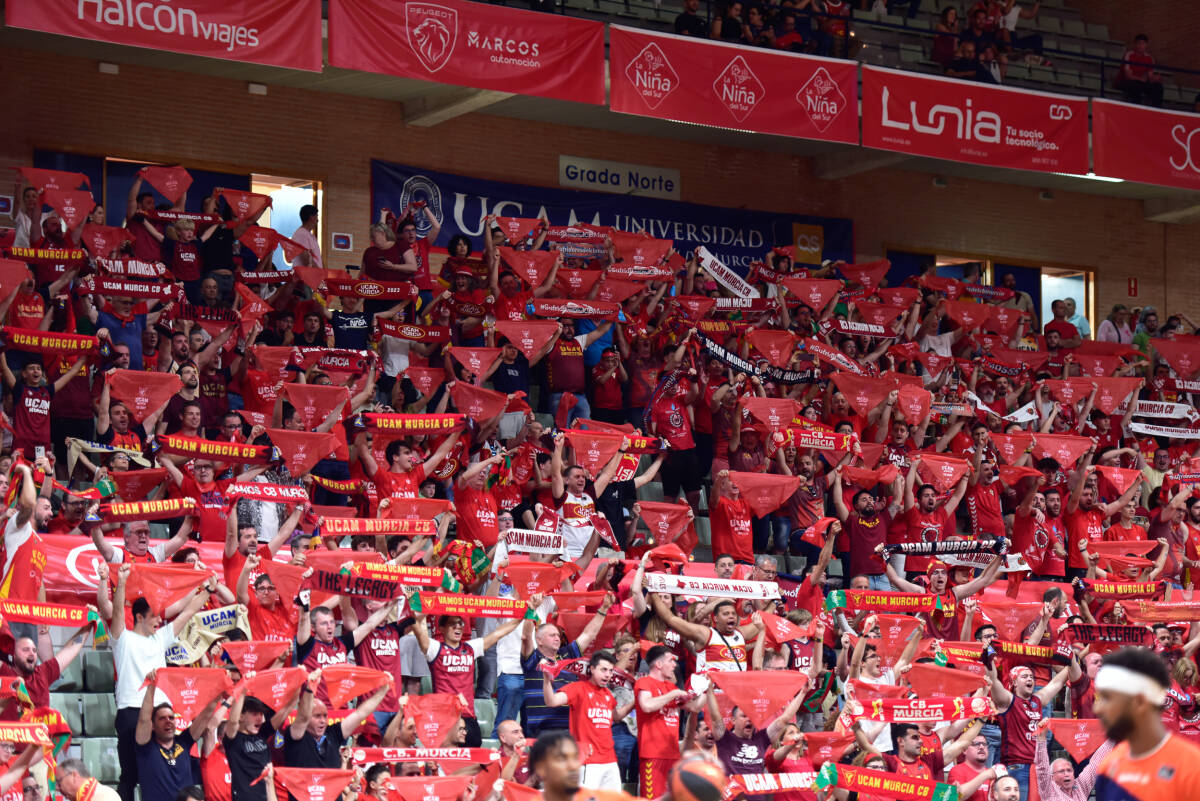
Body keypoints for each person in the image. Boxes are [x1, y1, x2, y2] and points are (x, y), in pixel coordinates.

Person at [111, 562, 214, 801]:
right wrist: (122, 582)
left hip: (160, 712)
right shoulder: (122, 639)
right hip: (130, 712)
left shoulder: (160, 638)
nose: (159, 620)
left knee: (163, 771)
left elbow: (188, 613)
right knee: (130, 776)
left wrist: (208, 590)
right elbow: (116, 613)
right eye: (154, 616)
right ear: (139, 617)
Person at [1094, 647, 1200, 799]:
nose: (1097, 708)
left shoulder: (1192, 768)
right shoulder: (1108, 767)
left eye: (1107, 698)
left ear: (1140, 702)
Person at [544, 650, 625, 790]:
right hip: (588, 761)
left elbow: (616, 717)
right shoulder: (578, 688)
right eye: (604, 670)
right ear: (592, 669)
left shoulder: (608, 694)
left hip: (610, 760)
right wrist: (546, 680)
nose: (608, 675)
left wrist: (635, 702)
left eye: (611, 671)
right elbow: (552, 701)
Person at [135, 669, 219, 801]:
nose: (168, 721)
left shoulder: (184, 741)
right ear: (153, 725)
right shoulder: (146, 746)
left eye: (171, 717)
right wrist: (151, 687)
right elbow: (144, 719)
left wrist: (219, 691)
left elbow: (206, 715)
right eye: (162, 718)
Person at [1116, 34, 1164, 107]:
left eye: (1143, 43)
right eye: (1139, 43)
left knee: (1158, 87)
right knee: (1135, 85)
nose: (1140, 46)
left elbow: (1150, 76)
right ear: (1135, 44)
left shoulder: (1149, 58)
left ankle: (1156, 109)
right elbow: (1128, 76)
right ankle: (1137, 108)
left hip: (1140, 83)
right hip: (1126, 82)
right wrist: (1140, 79)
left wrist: (1156, 79)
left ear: (1146, 45)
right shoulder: (1129, 55)